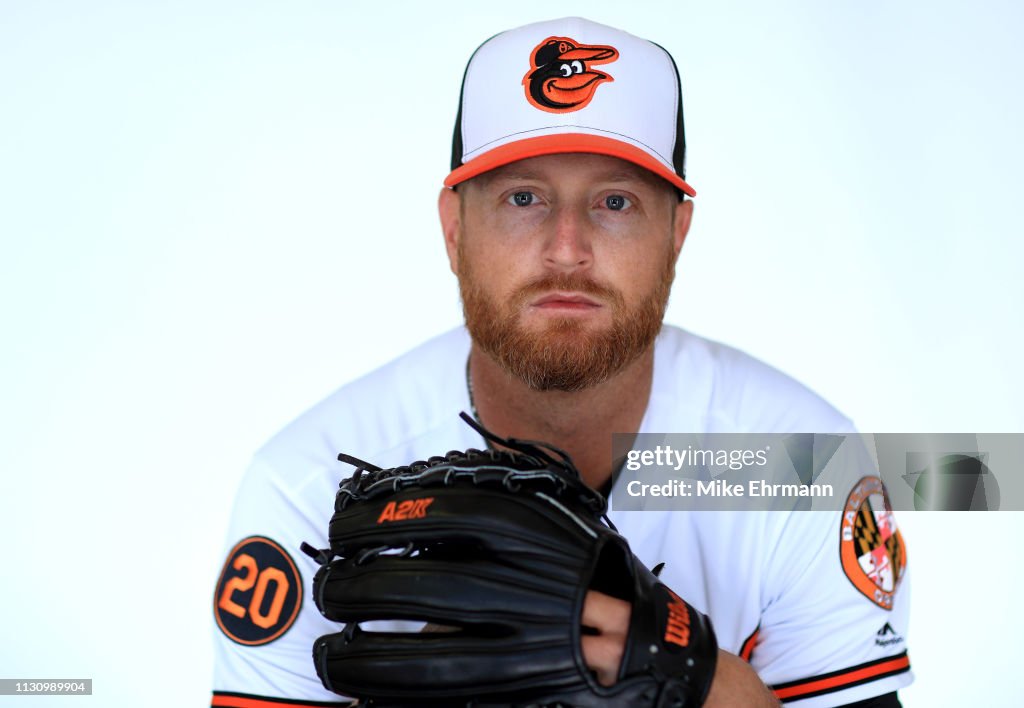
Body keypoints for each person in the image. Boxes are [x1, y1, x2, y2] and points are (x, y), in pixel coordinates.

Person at [211, 17, 912, 708]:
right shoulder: (305, 487)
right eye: (523, 198)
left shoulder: (802, 465)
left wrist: (687, 670)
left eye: (615, 201)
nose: (567, 249)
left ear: (677, 234)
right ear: (454, 229)